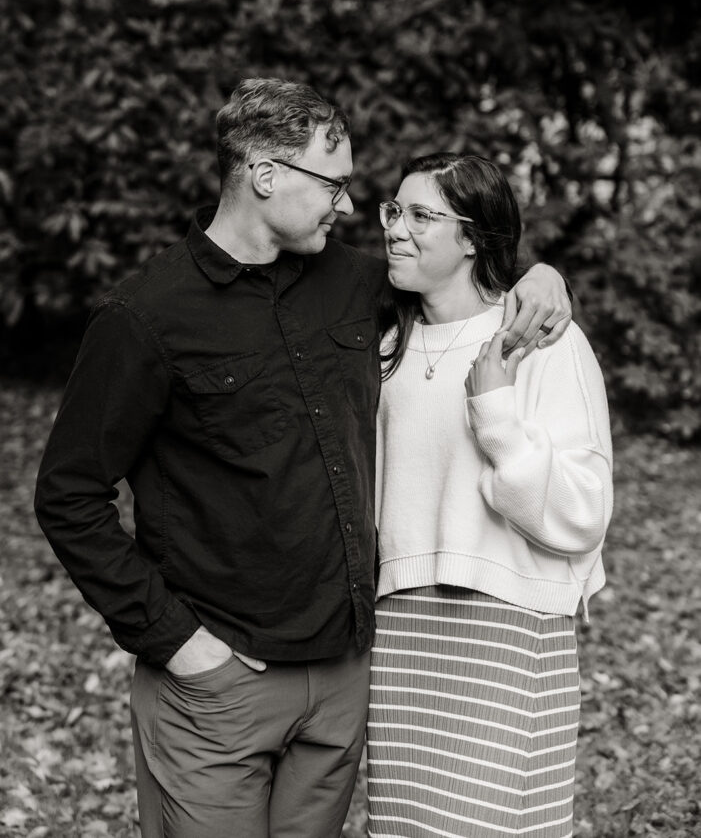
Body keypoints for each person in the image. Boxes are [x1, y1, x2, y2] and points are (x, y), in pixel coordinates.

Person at [35, 80, 572, 838]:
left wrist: (539, 276)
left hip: (343, 681)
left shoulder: (355, 283)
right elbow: (67, 494)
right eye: (334, 183)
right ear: (264, 175)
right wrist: (178, 644)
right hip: (218, 685)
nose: (347, 207)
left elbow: (463, 281)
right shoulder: (144, 317)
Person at [368, 152, 613, 838]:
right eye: (393, 210)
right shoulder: (386, 344)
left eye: (421, 215)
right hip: (402, 631)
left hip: (505, 626)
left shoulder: (542, 341)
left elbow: (583, 513)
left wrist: (497, 412)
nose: (395, 228)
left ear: (473, 237)